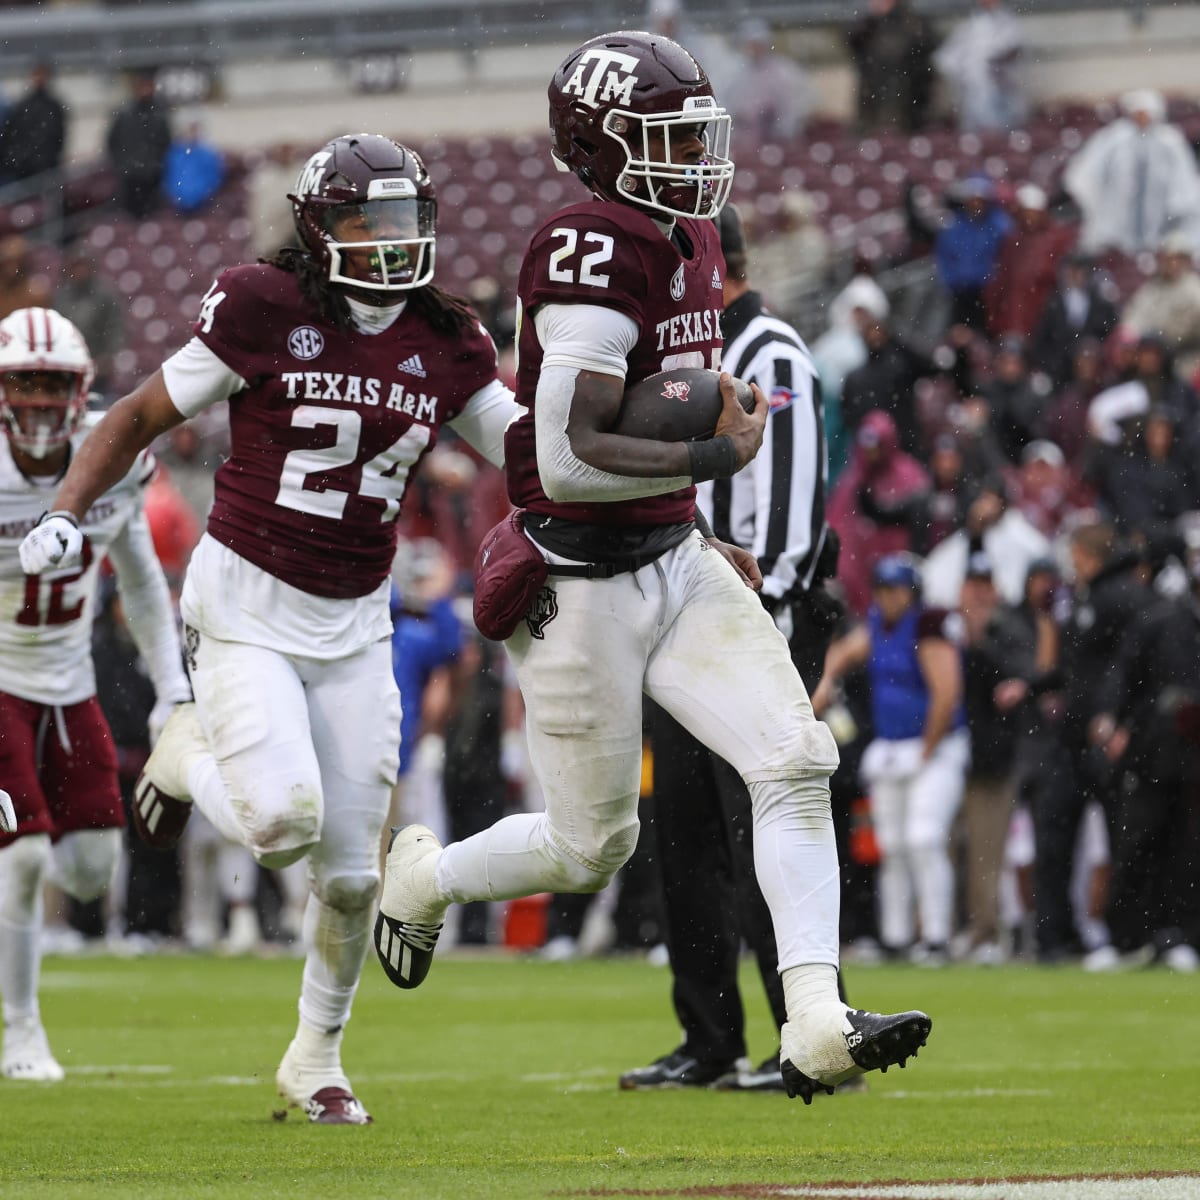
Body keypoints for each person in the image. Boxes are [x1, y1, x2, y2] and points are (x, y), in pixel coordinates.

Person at [373, 29, 932, 1104]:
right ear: (601, 145)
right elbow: (570, 455)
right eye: (667, 134)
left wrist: (694, 506)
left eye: (696, 131)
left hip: (674, 554)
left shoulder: (689, 235)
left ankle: (814, 1021)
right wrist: (711, 457)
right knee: (593, 846)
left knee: (794, 758)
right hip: (578, 578)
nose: (694, 154)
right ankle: (427, 875)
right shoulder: (585, 245)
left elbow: (665, 391)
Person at [18, 134, 523, 1123]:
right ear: (316, 228)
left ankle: (315, 1059)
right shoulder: (262, 304)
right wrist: (66, 513)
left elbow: (533, 452)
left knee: (345, 877)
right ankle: (184, 755)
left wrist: (644, 477)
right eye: (364, 222)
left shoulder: (447, 337)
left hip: (357, 619)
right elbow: (135, 417)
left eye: (402, 220)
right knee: (282, 826)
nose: (387, 242)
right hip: (247, 603)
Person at [619, 202, 849, 1093]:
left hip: (757, 628)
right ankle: (709, 1036)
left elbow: (788, 521)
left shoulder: (771, 354)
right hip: (689, 631)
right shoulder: (695, 362)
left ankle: (810, 1034)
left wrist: (765, 622)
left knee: (768, 830)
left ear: (713, 271)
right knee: (686, 843)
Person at [1, 307, 191, 1080]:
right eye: (26, 383)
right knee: (27, 861)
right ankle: (20, 1032)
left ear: (82, 391)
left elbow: (143, 583)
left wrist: (172, 686)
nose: (42, 400)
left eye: (55, 384)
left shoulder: (112, 458)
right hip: (2, 677)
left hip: (72, 683)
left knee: (88, 868)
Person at [811, 554, 969, 964]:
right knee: (893, 845)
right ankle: (897, 936)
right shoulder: (877, 625)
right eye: (882, 589)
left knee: (924, 838)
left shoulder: (930, 625)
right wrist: (825, 684)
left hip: (933, 746)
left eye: (895, 589)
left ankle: (935, 935)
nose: (888, 597)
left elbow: (946, 693)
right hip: (894, 747)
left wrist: (927, 751)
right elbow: (841, 655)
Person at [1063, 90, 1200, 258]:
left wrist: (1176, 207)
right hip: (1119, 214)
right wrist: (1095, 200)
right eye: (1138, 113)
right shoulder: (1114, 138)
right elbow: (1085, 172)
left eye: (1146, 113)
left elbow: (1183, 178)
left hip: (1160, 215)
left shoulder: (1169, 141)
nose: (1142, 118)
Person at [933, 0, 1028, 133]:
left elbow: (1014, 51)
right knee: (975, 130)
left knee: (1003, 131)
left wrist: (994, 64)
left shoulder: (1008, 23)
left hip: (1002, 91)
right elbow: (947, 58)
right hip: (973, 91)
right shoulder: (970, 24)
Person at [846, 0, 936, 134]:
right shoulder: (869, 23)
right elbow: (853, 42)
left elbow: (921, 49)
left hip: (907, 105)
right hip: (873, 100)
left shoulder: (911, 22)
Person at [53, 241, 127, 401]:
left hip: (97, 364)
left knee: (96, 402)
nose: (80, 271)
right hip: (67, 364)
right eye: (76, 266)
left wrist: (108, 356)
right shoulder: (61, 296)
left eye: (83, 266)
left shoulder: (105, 295)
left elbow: (116, 327)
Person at [105, 71, 172, 219]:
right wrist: (122, 166)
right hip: (129, 176)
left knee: (152, 216)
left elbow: (166, 143)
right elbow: (112, 143)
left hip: (152, 176)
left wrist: (156, 165)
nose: (145, 91)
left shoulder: (160, 114)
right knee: (130, 217)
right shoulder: (123, 114)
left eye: (148, 87)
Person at [0, 62, 66, 185]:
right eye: (36, 74)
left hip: (45, 168)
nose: (38, 78)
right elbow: (13, 136)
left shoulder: (53, 106)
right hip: (24, 169)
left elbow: (57, 137)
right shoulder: (23, 105)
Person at [161, 110, 226, 215]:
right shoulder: (175, 153)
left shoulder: (209, 153)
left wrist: (203, 196)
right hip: (177, 206)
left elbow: (214, 178)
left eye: (195, 128)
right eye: (189, 128)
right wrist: (177, 196)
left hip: (204, 205)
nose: (192, 132)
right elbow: (169, 177)